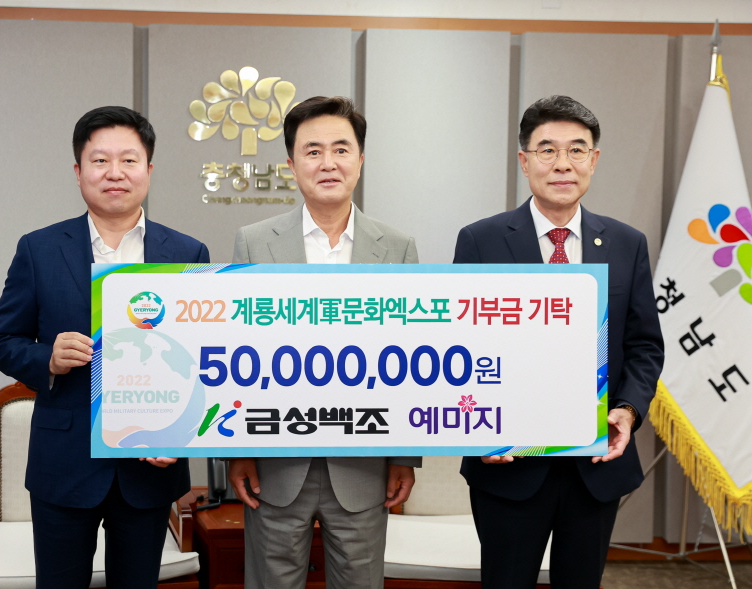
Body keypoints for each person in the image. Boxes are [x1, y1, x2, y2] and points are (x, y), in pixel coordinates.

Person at [0, 106, 210, 589]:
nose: (115, 172)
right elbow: (1, 340)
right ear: (78, 170)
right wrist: (47, 357)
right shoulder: (39, 249)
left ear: (149, 169)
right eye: (100, 160)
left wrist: (180, 435)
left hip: (149, 469)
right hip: (64, 465)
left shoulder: (187, 253)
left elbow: (202, 360)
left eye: (129, 160)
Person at [453, 95, 664, 588]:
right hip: (509, 467)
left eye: (576, 149)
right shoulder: (481, 240)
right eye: (547, 150)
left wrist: (628, 410)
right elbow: (458, 347)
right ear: (524, 160)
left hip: (595, 468)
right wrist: (478, 429)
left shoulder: (627, 243)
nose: (563, 163)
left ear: (594, 159)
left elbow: (644, 346)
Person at [229, 95, 421, 589]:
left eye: (341, 149)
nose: (328, 162)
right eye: (312, 151)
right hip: (275, 463)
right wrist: (237, 453)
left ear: (360, 159)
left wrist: (404, 456)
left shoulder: (397, 247)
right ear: (291, 164)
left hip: (363, 464)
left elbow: (411, 355)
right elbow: (235, 351)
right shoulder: (253, 242)